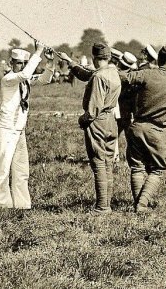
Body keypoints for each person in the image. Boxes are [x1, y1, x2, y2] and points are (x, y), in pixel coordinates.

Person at [116, 46, 166, 212]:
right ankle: (142, 204)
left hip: (137, 127)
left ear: (158, 59)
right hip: (158, 131)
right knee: (158, 169)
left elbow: (123, 77)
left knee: (137, 167)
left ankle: (138, 203)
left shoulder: (146, 74)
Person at [57, 43, 122, 213]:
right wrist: (69, 61)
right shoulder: (113, 72)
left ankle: (102, 206)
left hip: (98, 122)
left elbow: (93, 110)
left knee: (98, 163)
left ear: (94, 58)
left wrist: (82, 120)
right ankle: (107, 204)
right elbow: (87, 73)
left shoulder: (99, 77)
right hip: (111, 120)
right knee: (108, 163)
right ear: (109, 57)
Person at [0, 44, 43, 209]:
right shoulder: (8, 79)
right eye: (19, 63)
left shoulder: (24, 80)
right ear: (11, 63)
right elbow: (25, 74)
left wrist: (49, 63)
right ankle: (1, 204)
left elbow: (45, 78)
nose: (22, 66)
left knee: (21, 170)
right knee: (3, 169)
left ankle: (22, 204)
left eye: (24, 63)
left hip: (19, 130)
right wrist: (38, 52)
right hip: (6, 129)